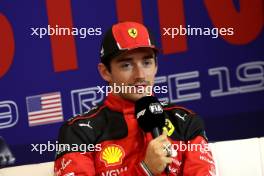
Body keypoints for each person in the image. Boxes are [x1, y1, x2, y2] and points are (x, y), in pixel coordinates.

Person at [54, 21, 215, 176]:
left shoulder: (186, 122)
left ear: (156, 66)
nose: (140, 75)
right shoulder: (78, 132)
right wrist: (145, 170)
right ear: (105, 72)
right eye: (126, 65)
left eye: (146, 62)